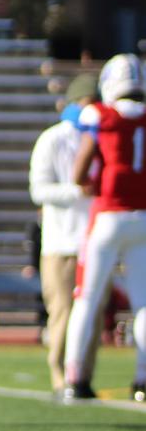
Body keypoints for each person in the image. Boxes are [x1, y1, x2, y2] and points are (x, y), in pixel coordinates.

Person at [62, 53, 146, 403]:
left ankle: (75, 378)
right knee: (144, 305)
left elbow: (80, 170)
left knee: (86, 298)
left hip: (108, 216)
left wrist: (87, 182)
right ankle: (142, 381)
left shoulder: (101, 115)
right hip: (143, 216)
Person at [30, 94, 99, 395]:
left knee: (94, 313)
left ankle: (84, 377)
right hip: (60, 241)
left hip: (94, 242)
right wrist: (76, 191)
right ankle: (60, 376)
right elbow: (39, 190)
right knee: (63, 312)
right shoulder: (52, 139)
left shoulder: (100, 137)